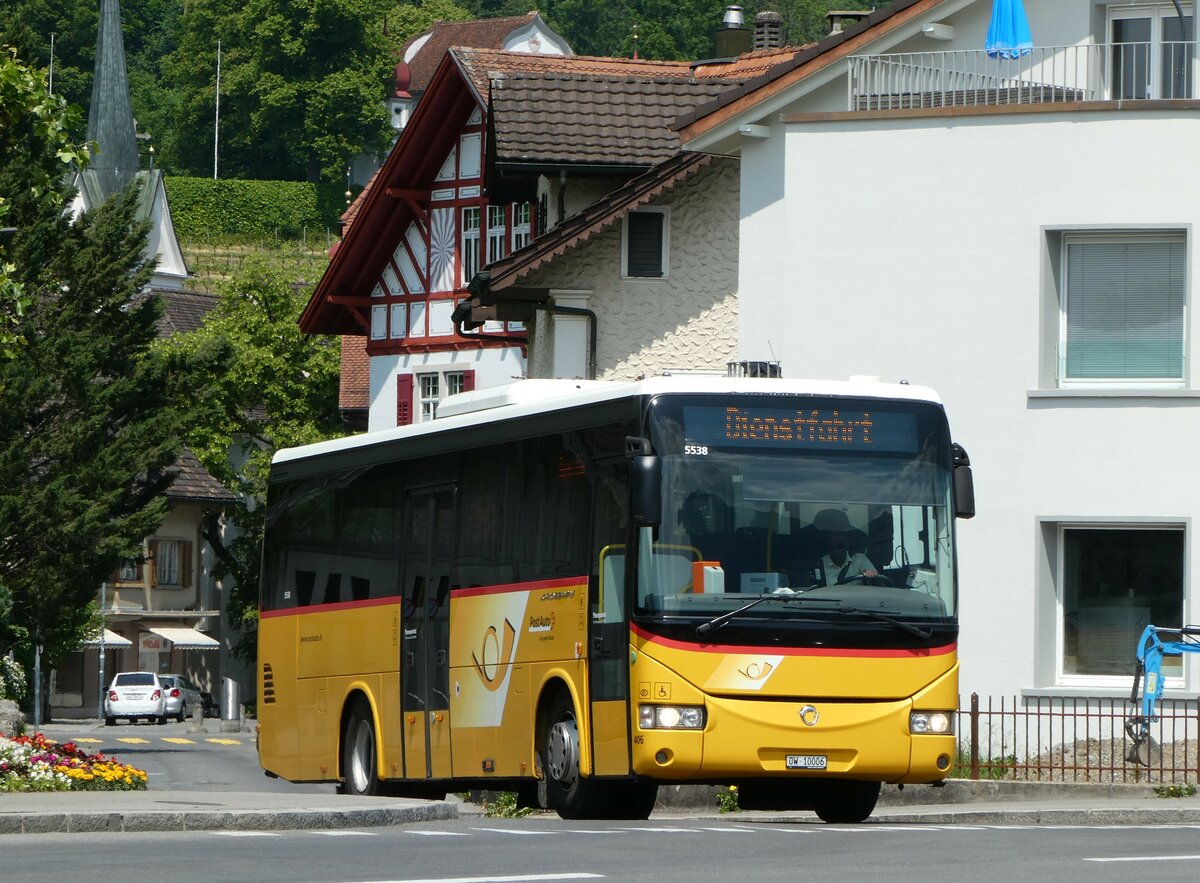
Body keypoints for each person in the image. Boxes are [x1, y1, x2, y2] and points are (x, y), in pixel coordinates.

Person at [812, 508, 878, 586]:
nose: (835, 551)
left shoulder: (859, 560)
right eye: (831, 548)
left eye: (840, 547)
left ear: (847, 543)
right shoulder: (819, 564)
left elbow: (880, 584)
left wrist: (871, 576)